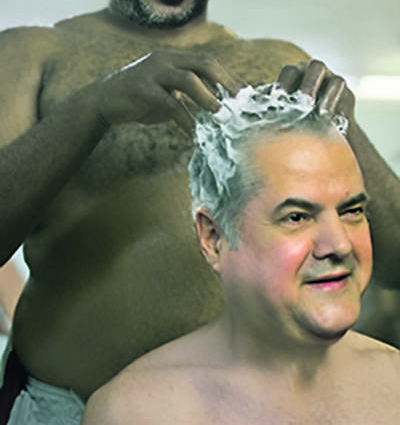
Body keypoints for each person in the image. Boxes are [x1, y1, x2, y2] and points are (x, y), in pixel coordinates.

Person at [0, 0, 399, 422]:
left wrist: (346, 133)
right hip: (66, 409)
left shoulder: (278, 63)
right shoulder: (34, 58)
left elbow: (393, 262)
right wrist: (95, 108)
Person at [82, 84, 400, 425]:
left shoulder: (394, 381)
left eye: (352, 211)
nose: (339, 245)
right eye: (296, 217)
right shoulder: (136, 412)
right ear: (213, 237)